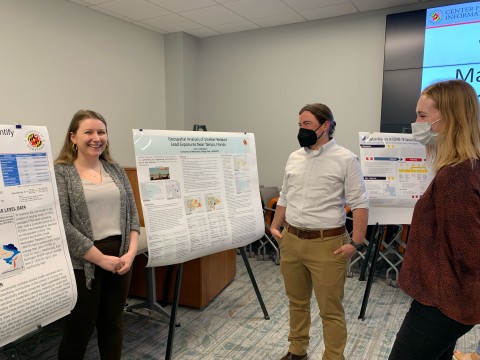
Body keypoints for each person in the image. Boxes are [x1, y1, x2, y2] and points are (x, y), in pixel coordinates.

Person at [388, 79, 480, 360]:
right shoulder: (468, 167)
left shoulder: (456, 175)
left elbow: (470, 253)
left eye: (423, 116)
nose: (416, 122)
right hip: (453, 299)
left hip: (443, 302)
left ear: (449, 118)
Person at [270, 103, 369, 360]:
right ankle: (297, 350)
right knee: (297, 302)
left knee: (330, 309)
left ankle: (334, 357)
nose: (301, 130)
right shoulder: (294, 157)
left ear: (325, 126)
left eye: (307, 124)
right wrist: (274, 226)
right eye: (300, 124)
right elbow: (284, 196)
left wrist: (356, 243)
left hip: (328, 244)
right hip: (291, 240)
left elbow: (360, 204)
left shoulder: (346, 159)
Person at [55, 110, 140, 360]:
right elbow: (63, 225)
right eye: (88, 132)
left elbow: (132, 216)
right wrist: (101, 259)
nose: (96, 138)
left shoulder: (115, 169)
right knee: (78, 331)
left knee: (113, 326)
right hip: (83, 262)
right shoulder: (62, 173)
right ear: (73, 137)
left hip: (121, 259)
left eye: (101, 132)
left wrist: (131, 254)